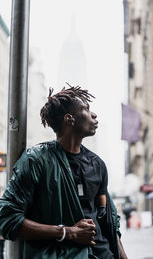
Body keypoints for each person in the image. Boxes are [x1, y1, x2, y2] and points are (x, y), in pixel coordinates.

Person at [0, 85, 128, 259]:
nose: (94, 115)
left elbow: (109, 222)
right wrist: (68, 232)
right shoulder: (36, 160)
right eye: (86, 109)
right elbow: (7, 218)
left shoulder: (97, 165)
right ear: (70, 119)